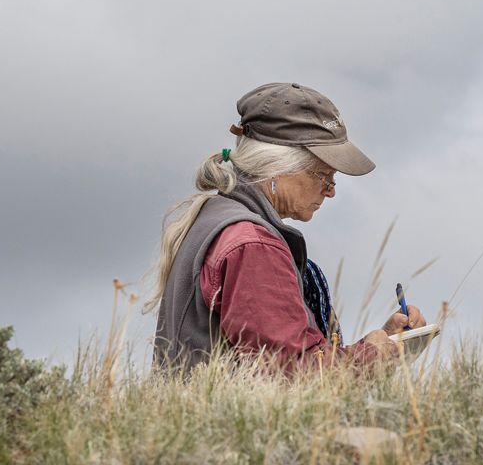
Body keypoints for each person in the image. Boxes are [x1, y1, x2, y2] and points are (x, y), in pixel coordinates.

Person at [147, 81, 426, 376]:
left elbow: (281, 359)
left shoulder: (217, 218)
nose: (330, 191)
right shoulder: (253, 245)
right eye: (323, 176)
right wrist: (371, 355)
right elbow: (292, 375)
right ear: (277, 168)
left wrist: (385, 342)